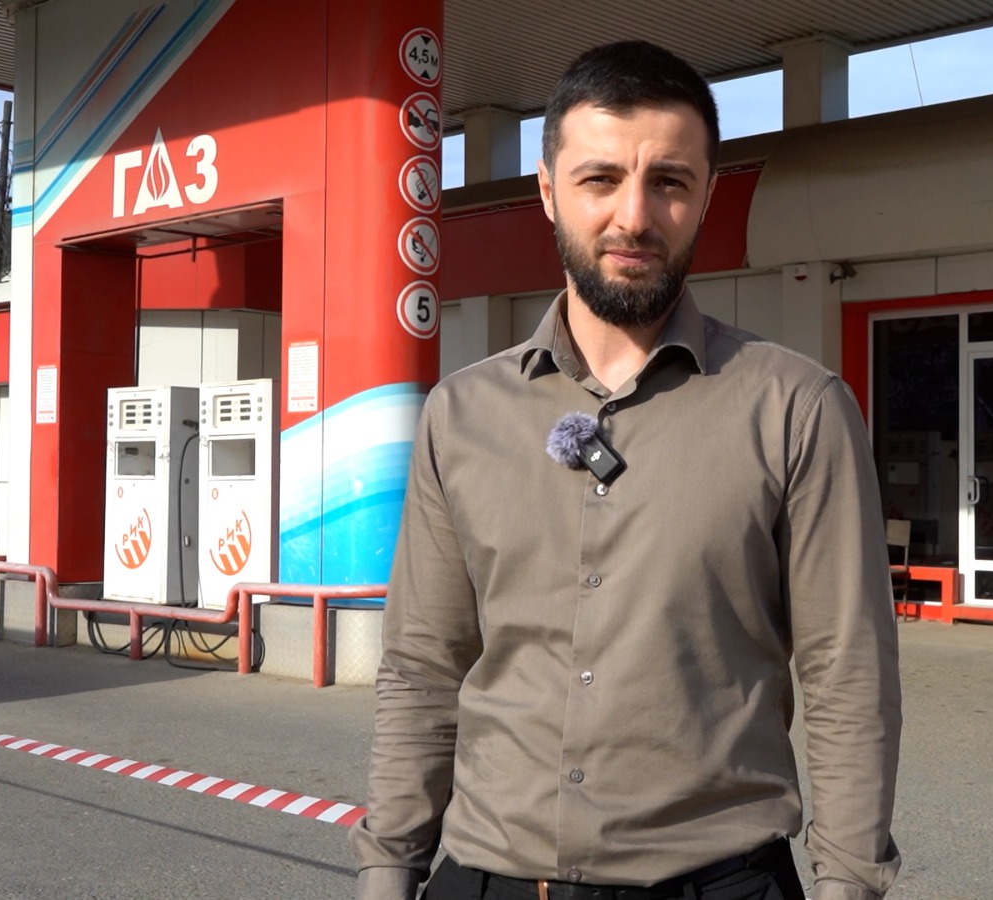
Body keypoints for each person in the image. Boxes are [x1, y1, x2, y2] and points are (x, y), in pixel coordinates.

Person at [350, 39, 901, 900]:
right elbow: (423, 665)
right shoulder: (460, 415)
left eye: (669, 181)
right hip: (488, 877)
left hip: (716, 881)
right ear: (547, 190)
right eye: (600, 179)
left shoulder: (798, 409)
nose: (634, 217)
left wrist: (848, 885)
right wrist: (388, 869)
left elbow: (847, 675)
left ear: (707, 194)